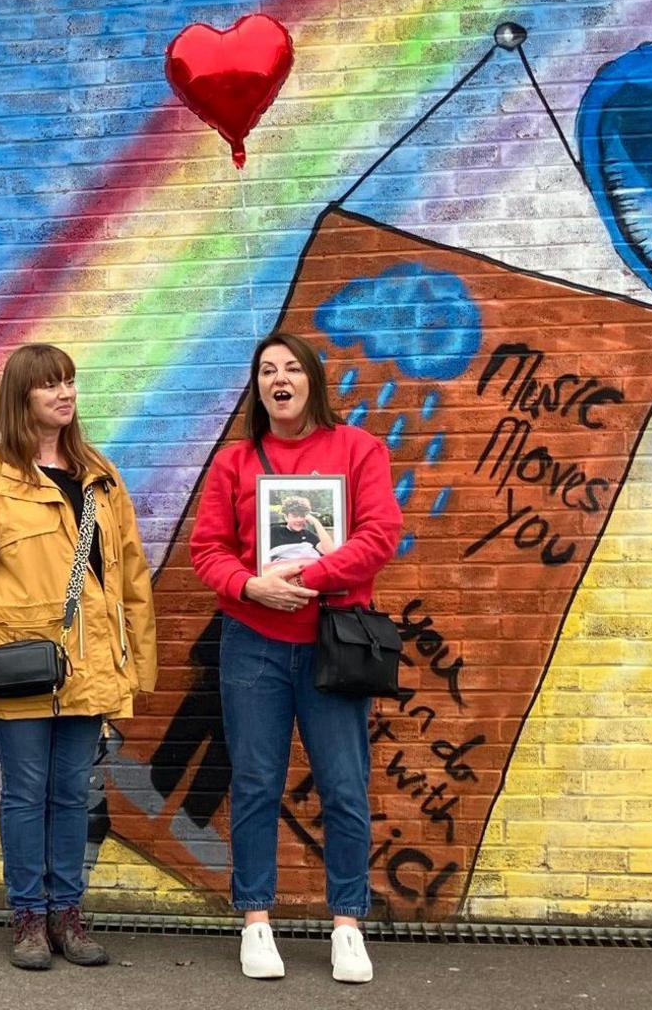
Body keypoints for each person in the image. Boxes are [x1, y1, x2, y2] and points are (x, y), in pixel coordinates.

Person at [189, 332, 401, 985]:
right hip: (252, 643)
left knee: (343, 786)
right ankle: (255, 920)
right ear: (258, 388)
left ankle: (347, 925)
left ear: (311, 379)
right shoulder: (234, 463)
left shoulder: (357, 449)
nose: (279, 379)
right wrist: (251, 585)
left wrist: (309, 577)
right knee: (254, 784)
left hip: (334, 642)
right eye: (266, 371)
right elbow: (208, 549)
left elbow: (380, 532)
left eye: (290, 369)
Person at [0, 343, 156, 971]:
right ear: (21, 396)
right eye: (49, 385)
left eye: (69, 382)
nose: (64, 394)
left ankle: (69, 915)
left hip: (90, 667)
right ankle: (28, 918)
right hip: (19, 666)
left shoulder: (99, 474)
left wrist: (136, 663)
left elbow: (131, 577)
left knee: (71, 791)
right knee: (25, 792)